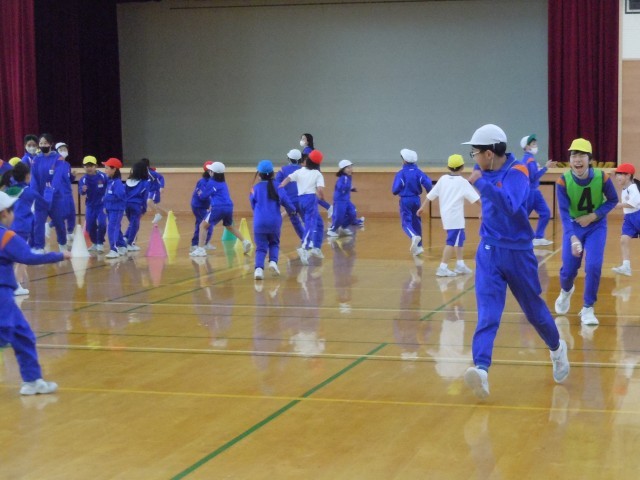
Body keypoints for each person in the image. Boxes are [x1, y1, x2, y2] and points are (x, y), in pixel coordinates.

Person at [461, 124, 569, 399]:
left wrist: (481, 184)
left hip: (519, 253)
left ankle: (557, 348)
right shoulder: (483, 170)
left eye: (475, 152)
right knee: (488, 314)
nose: (473, 157)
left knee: (534, 311)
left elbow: (510, 204)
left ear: (488, 154)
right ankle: (481, 369)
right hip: (489, 250)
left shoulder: (518, 171)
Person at [0, 190, 70, 395]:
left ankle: (32, 381)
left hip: (5, 295)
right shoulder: (7, 237)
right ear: (4, 213)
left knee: (22, 334)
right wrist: (59, 255)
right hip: (2, 295)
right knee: (4, 332)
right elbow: (29, 257)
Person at [554, 138, 618, 326]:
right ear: (570, 160)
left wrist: (594, 216)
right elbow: (563, 213)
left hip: (596, 226)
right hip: (573, 226)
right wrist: (572, 237)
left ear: (590, 159)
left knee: (594, 265)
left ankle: (588, 307)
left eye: (582, 155)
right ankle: (566, 291)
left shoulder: (602, 177)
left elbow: (613, 200)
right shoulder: (562, 181)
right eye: (574, 155)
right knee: (568, 270)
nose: (577, 159)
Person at [417, 154, 480, 276]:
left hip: (448, 216)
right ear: (462, 167)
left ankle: (460, 264)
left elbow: (430, 195)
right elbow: (476, 199)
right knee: (451, 241)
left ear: (448, 166)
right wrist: (488, 209)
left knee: (459, 239)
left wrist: (422, 208)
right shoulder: (463, 182)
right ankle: (443, 267)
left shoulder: (443, 179)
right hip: (455, 217)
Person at [190, 162, 252, 257]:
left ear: (212, 173)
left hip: (218, 207)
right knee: (229, 226)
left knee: (202, 226)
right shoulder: (223, 183)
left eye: (211, 170)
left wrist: (199, 192)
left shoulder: (211, 182)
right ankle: (245, 241)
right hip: (229, 206)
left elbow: (203, 196)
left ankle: (200, 249)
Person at [7, 162, 49, 295]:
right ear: (27, 176)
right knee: (22, 258)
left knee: (9, 256)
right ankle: (16, 286)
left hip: (7, 226)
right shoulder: (30, 192)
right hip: (22, 227)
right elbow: (45, 204)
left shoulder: (8, 190)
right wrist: (49, 191)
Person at [279, 149, 326, 264]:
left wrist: (281, 186)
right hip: (310, 200)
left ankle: (316, 247)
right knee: (310, 224)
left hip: (300, 200)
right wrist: (322, 197)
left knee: (318, 223)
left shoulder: (300, 171)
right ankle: (304, 247)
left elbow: (288, 178)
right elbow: (320, 189)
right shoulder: (317, 174)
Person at [250, 160, 295, 280]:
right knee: (274, 243)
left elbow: (253, 204)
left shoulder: (255, 188)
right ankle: (273, 262)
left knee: (260, 247)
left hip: (259, 222)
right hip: (274, 221)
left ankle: (258, 270)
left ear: (259, 174)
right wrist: (293, 210)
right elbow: (286, 202)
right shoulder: (278, 186)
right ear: (272, 173)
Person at [30, 133, 69, 253]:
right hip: (40, 198)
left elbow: (57, 177)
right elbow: (33, 178)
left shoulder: (58, 159)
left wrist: (50, 191)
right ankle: (39, 247)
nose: (43, 145)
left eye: (45, 143)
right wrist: (35, 194)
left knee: (59, 223)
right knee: (38, 223)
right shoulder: (36, 159)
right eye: (41, 143)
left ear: (51, 144)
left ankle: (62, 244)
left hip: (55, 198)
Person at [391, 148, 433, 256]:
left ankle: (413, 236)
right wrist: (429, 193)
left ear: (404, 160)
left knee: (406, 223)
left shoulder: (401, 173)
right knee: (416, 222)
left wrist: (401, 189)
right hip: (416, 200)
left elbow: (395, 190)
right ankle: (419, 247)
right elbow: (428, 184)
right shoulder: (419, 172)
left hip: (405, 200)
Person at [520, 134, 556, 246]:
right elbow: (533, 177)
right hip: (531, 192)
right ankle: (520, 237)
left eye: (535, 143)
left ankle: (538, 237)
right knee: (524, 216)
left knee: (545, 213)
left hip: (533, 192)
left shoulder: (528, 159)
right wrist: (545, 167)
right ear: (527, 147)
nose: (536, 146)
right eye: (533, 144)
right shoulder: (530, 160)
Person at [611, 163, 640, 276]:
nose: (617, 177)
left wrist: (618, 205)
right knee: (624, 240)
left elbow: (634, 203)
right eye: (617, 175)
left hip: (637, 216)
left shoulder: (633, 188)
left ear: (628, 176)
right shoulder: (626, 188)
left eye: (620, 174)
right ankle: (626, 266)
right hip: (629, 219)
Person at [79, 156, 108, 253]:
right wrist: (82, 190)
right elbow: (81, 192)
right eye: (86, 166)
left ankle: (100, 243)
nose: (89, 168)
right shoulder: (83, 179)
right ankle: (95, 243)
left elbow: (109, 186)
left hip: (102, 205)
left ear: (95, 166)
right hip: (90, 206)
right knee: (90, 225)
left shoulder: (103, 176)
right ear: (84, 167)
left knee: (102, 224)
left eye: (91, 166)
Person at [275, 149, 304, 240]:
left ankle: (304, 239)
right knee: (307, 220)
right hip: (303, 200)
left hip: (290, 202)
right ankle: (310, 239)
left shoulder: (283, 170)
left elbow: (277, 184)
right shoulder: (304, 170)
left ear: (289, 159)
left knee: (296, 222)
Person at [327, 159, 361, 237]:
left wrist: (351, 188)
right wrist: (346, 188)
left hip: (346, 200)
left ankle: (343, 227)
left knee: (352, 212)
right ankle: (332, 230)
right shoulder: (342, 178)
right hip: (340, 200)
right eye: (348, 168)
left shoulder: (349, 177)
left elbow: (348, 185)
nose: (350, 169)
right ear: (343, 169)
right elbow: (340, 187)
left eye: (351, 167)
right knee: (339, 216)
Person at [102, 158, 127, 259]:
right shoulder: (110, 181)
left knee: (112, 228)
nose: (105, 170)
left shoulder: (117, 183)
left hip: (116, 210)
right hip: (110, 209)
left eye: (107, 168)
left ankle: (114, 249)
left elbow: (121, 196)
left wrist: (109, 199)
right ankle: (122, 246)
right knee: (116, 227)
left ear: (114, 169)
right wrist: (106, 205)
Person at [123, 161, 150, 251]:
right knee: (135, 225)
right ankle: (130, 243)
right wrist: (144, 209)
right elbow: (145, 197)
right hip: (136, 206)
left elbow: (124, 193)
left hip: (127, 205)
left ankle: (126, 237)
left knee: (132, 223)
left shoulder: (128, 181)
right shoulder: (145, 183)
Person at [189, 161, 215, 253]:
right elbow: (203, 196)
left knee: (201, 224)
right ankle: (196, 244)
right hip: (198, 206)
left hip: (203, 206)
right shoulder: (202, 182)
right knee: (206, 224)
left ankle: (202, 243)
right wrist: (210, 204)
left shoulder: (211, 181)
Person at [54, 142, 76, 243]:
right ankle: (51, 225)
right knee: (63, 213)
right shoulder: (54, 164)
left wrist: (72, 176)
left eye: (65, 149)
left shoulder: (67, 165)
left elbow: (68, 179)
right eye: (61, 150)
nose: (63, 151)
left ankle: (70, 232)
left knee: (71, 212)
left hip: (68, 191)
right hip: (60, 192)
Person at [141, 158, 167, 223]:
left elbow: (161, 177)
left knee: (149, 202)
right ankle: (170, 215)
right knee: (157, 206)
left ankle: (157, 215)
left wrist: (162, 187)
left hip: (154, 190)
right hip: (150, 191)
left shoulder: (151, 173)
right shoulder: (143, 173)